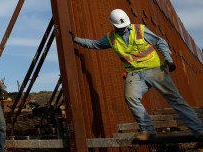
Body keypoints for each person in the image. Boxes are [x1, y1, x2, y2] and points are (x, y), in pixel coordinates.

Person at [71, 8, 203, 142]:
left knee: (176, 100)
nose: (124, 28)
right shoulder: (111, 38)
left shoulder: (139, 29)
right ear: (113, 24)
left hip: (155, 69)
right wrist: (76, 39)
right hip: (135, 74)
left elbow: (160, 41)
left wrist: (168, 60)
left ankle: (199, 130)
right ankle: (148, 131)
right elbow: (94, 44)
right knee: (131, 97)